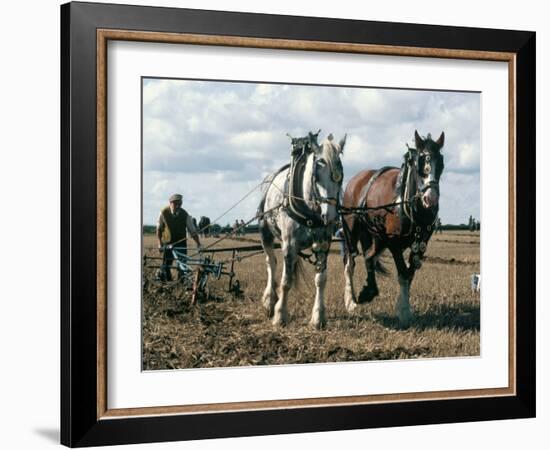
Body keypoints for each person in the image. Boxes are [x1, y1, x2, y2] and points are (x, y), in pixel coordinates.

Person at [156, 193, 202, 281]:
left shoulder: (185, 214)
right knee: (166, 265)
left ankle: (181, 283)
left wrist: (198, 244)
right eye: (176, 204)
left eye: (180, 204)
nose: (178, 206)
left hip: (181, 243)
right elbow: (158, 229)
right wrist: (159, 243)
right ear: (170, 203)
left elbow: (192, 231)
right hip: (168, 243)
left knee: (182, 265)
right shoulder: (163, 212)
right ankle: (168, 282)